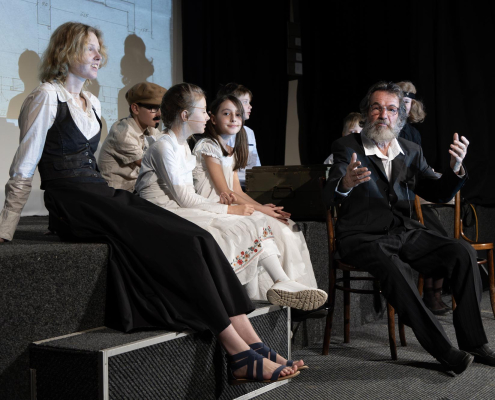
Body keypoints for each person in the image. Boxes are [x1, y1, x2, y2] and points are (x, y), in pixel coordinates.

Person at [0, 22, 299, 384]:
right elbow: (24, 165)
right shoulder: (47, 96)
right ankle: (236, 351)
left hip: (99, 193)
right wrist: (6, 228)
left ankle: (253, 343)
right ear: (66, 52)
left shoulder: (91, 102)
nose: (98, 56)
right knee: (180, 242)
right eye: (89, 48)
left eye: (99, 49)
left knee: (199, 237)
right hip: (72, 201)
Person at [324, 81, 495, 375]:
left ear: (400, 117)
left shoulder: (411, 150)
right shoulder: (347, 147)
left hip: (403, 231)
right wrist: (345, 183)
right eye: (376, 108)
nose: (383, 115)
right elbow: (330, 194)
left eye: (391, 109)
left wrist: (455, 168)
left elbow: (437, 193)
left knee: (462, 251)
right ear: (366, 113)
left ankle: (474, 343)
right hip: (362, 236)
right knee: (395, 266)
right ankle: (444, 351)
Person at [136, 86, 326, 312]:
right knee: (238, 227)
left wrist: (237, 208)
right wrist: (229, 210)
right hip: (162, 212)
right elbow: (185, 199)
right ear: (185, 115)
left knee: (255, 222)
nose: (206, 116)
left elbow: (192, 196)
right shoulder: (164, 146)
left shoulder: (182, 146)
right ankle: (246, 298)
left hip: (181, 207)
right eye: (203, 111)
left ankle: (281, 280)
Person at [192, 95, 321, 298]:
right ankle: (273, 291)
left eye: (238, 114)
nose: (233, 119)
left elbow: (238, 191)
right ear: (213, 119)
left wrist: (263, 207)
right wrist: (262, 210)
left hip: (231, 203)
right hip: (217, 206)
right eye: (226, 114)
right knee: (269, 225)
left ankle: (294, 289)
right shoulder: (208, 146)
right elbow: (225, 192)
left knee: (288, 226)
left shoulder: (231, 151)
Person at [397, 80, 451, 315]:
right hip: (399, 199)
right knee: (430, 236)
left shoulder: (414, 133)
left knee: (441, 237)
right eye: (401, 101)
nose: (405, 106)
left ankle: (434, 292)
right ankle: (429, 294)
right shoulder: (389, 130)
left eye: (408, 102)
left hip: (415, 195)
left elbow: (419, 166)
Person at [98, 82, 166, 192]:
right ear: (135, 109)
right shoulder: (123, 133)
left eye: (160, 108)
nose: (159, 114)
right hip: (118, 193)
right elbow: (152, 165)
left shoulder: (151, 129)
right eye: (153, 108)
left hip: (138, 188)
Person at [216, 83, 260, 188]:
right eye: (245, 102)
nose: (250, 106)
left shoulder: (249, 132)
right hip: (230, 186)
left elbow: (256, 166)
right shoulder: (220, 132)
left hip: (250, 185)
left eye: (249, 102)